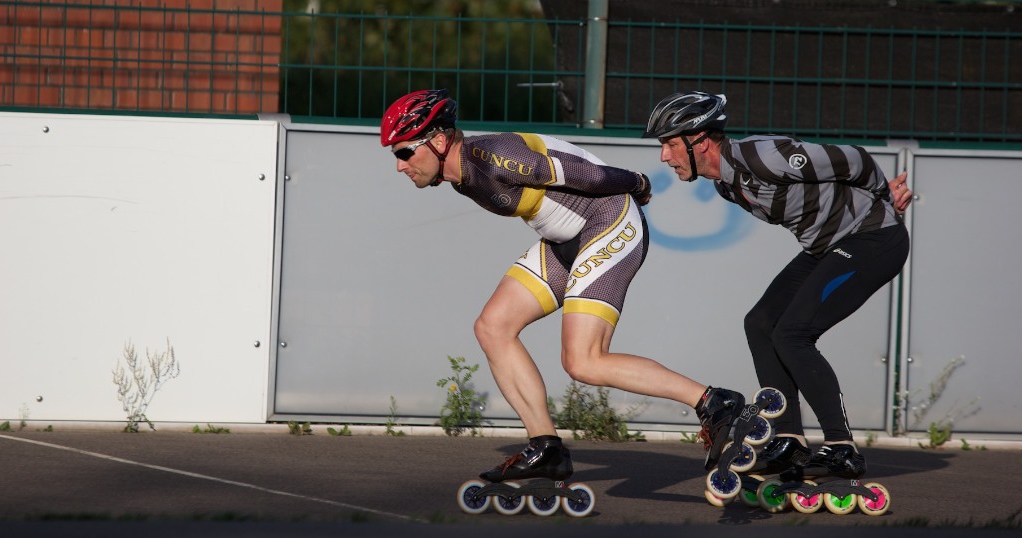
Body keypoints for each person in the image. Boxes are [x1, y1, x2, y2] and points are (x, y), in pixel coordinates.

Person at [381, 88, 749, 482]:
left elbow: (587, 175)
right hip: (565, 239)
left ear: (438, 141)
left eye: (405, 152)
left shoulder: (491, 156)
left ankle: (713, 401)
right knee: (492, 328)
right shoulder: (461, 175)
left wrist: (638, 182)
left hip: (608, 221)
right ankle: (546, 448)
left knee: (583, 360)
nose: (400, 166)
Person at [644, 91, 913, 479]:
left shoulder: (764, 156)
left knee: (792, 334)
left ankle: (842, 448)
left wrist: (886, 200)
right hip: (826, 248)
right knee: (760, 323)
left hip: (873, 239)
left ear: (700, 141)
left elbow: (856, 160)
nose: (664, 156)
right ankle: (790, 441)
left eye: (670, 144)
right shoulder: (726, 186)